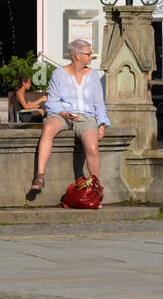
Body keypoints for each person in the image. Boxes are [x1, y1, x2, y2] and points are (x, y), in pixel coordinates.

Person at [26, 39, 110, 199]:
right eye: (88, 53)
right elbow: (52, 102)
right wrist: (64, 114)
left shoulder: (92, 76)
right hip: (63, 114)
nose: (91, 56)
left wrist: (102, 124)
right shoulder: (59, 74)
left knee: (92, 147)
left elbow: (99, 103)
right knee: (48, 127)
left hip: (86, 117)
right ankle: (40, 176)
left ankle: (96, 189)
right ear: (77, 55)